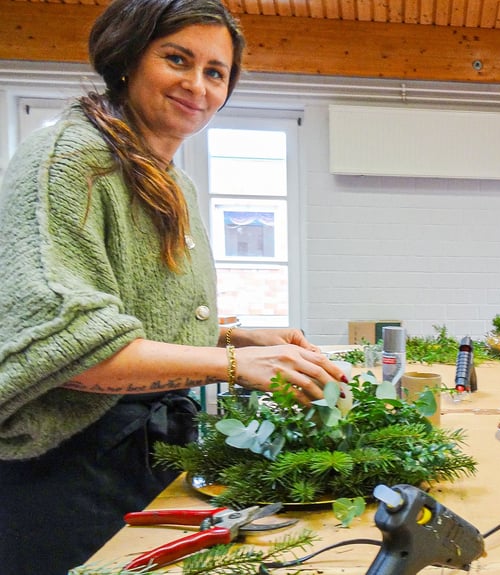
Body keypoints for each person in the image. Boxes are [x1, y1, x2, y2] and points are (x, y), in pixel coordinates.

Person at [0, 2, 344, 573]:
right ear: (126, 58)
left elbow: (139, 314)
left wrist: (237, 339)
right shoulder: (69, 162)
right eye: (177, 59)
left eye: (216, 72)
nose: (198, 85)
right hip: (66, 463)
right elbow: (66, 350)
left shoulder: (167, 176)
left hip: (141, 450)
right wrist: (230, 366)